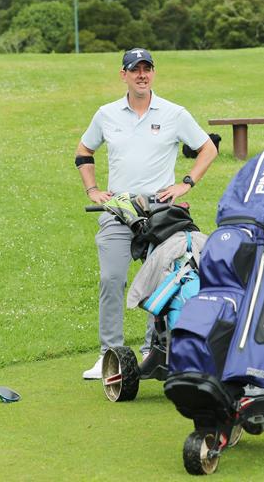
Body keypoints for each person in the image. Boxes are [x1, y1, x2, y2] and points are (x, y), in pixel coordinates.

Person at [75, 48, 218, 379]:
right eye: (134, 69)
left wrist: (186, 183)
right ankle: (108, 353)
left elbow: (207, 148)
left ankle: (154, 351)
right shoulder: (106, 114)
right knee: (112, 279)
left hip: (161, 212)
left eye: (147, 68)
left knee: (164, 280)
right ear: (123, 75)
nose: (142, 74)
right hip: (119, 210)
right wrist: (92, 190)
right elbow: (84, 151)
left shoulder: (174, 113)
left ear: (153, 73)